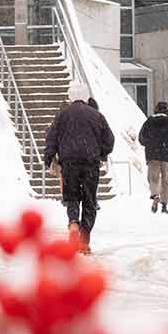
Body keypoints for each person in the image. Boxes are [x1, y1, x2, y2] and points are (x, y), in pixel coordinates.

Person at [42, 82, 114, 254]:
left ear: (70, 96)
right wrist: (100, 153)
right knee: (90, 201)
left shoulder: (62, 115)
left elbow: (51, 138)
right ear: (86, 96)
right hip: (90, 162)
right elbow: (109, 140)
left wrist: (49, 157)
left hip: (69, 163)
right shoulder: (96, 115)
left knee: (72, 197)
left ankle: (73, 223)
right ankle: (84, 240)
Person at [138, 101, 168, 214]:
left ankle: (155, 195)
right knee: (166, 181)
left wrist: (151, 144)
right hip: (167, 155)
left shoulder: (149, 122)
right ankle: (164, 205)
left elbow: (141, 138)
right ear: (167, 110)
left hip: (153, 155)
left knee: (153, 178)